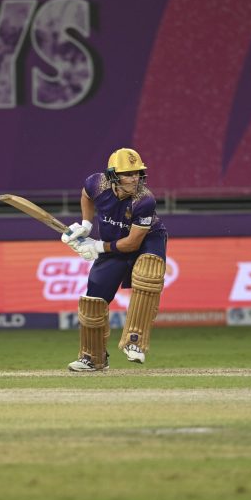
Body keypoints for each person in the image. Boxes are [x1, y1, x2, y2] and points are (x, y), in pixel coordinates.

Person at [62, 148, 168, 372]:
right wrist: (86, 225)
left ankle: (135, 341)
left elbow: (132, 244)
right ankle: (93, 358)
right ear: (113, 176)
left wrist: (97, 246)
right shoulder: (96, 184)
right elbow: (85, 195)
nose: (135, 178)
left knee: (148, 273)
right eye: (129, 174)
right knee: (93, 301)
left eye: (138, 173)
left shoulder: (144, 200)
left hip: (147, 240)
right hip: (113, 241)